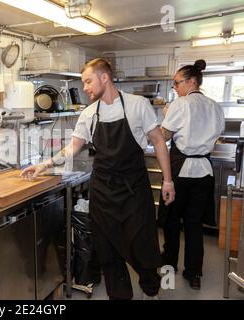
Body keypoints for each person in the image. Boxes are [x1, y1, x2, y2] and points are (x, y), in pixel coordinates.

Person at [21, 58, 175, 300]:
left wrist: (168, 180)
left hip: (134, 189)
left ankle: (151, 289)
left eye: (88, 81)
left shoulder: (137, 105)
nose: (85, 88)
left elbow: (157, 140)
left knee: (141, 245)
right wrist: (45, 164)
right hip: (103, 190)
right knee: (107, 250)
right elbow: (73, 147)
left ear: (105, 77)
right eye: (83, 83)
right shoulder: (89, 113)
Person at [159, 59, 225, 290]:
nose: (175, 87)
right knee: (194, 224)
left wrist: (154, 129)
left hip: (180, 170)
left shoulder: (181, 104)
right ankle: (194, 273)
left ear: (191, 81)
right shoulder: (215, 106)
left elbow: (164, 136)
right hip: (204, 171)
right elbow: (215, 137)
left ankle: (169, 264)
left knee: (171, 220)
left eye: (177, 83)